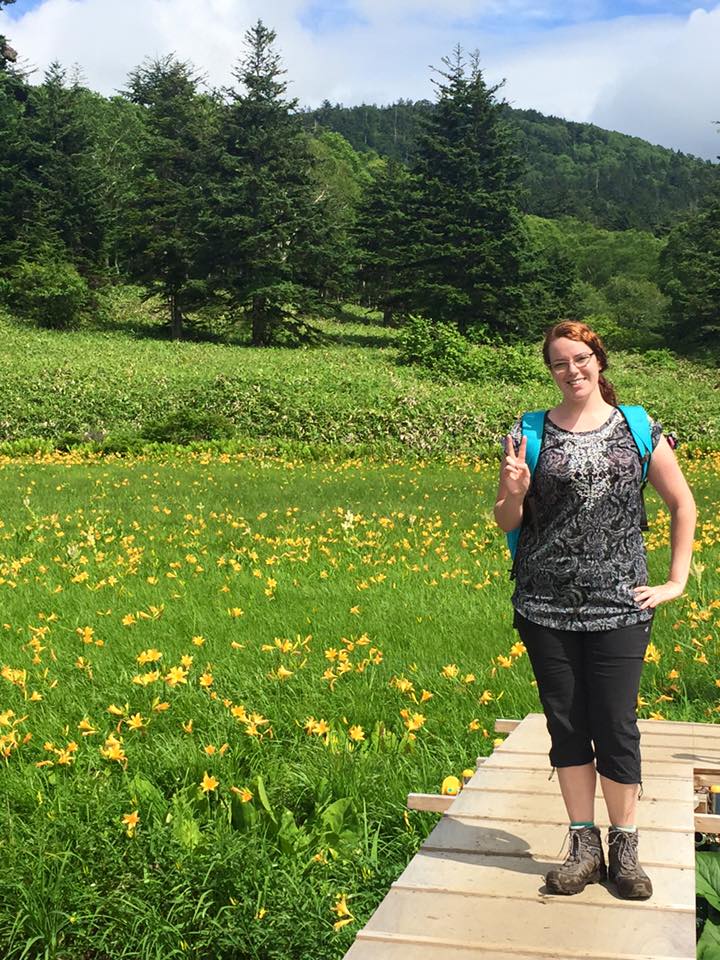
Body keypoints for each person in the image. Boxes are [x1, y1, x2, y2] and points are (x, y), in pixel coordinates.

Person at [493, 320, 696, 900]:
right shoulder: (528, 431)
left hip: (620, 604)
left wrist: (676, 581)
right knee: (567, 725)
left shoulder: (637, 426)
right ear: (550, 371)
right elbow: (508, 521)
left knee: (615, 723)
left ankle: (625, 846)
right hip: (544, 603)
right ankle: (583, 844)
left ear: (598, 360)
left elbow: (682, 504)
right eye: (559, 363)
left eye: (580, 358)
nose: (571, 371)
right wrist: (513, 490)